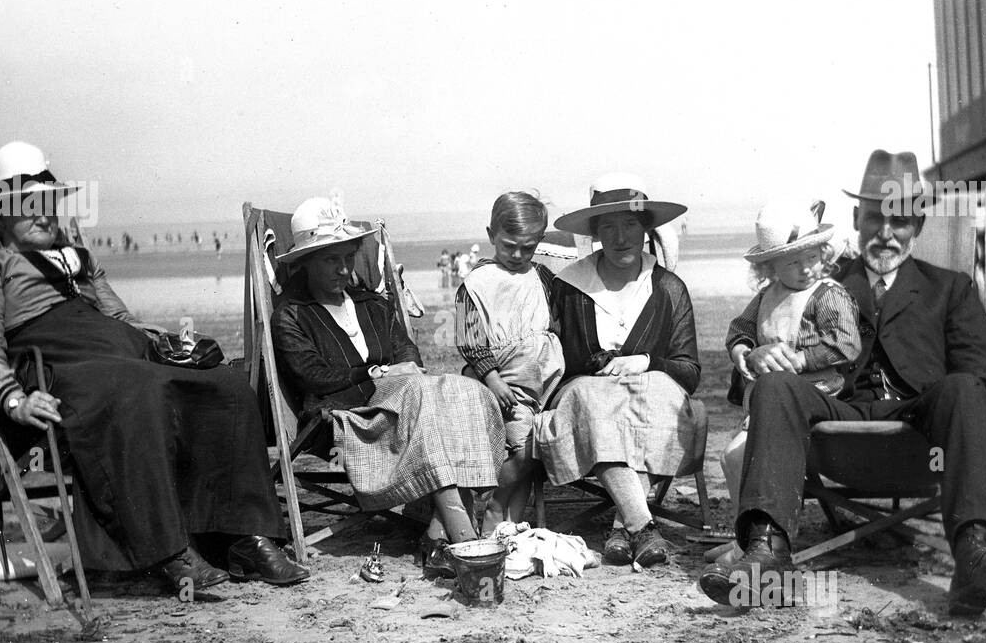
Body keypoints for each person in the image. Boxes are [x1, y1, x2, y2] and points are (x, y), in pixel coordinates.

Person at [0, 141, 308, 592]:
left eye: (49, 203)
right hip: (61, 365)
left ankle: (244, 534)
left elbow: (119, 318)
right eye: (29, 208)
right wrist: (13, 398)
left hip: (119, 354)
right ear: (0, 215)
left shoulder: (74, 257)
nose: (44, 215)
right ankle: (170, 553)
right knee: (137, 390)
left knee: (225, 384)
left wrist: (164, 343)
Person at [698, 151, 986, 616]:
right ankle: (767, 553)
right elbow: (750, 353)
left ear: (919, 225)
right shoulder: (814, 282)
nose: (886, 234)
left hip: (919, 430)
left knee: (965, 387)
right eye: (875, 219)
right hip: (836, 429)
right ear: (856, 218)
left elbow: (979, 365)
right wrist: (753, 355)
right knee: (775, 388)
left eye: (901, 222)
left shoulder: (949, 288)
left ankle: (975, 549)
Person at [271, 197, 507, 571]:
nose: (344, 268)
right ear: (305, 262)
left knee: (464, 389)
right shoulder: (292, 315)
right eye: (330, 260)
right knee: (421, 395)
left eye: (348, 257)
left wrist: (402, 370)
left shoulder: (369, 303)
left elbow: (405, 349)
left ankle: (435, 534)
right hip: (347, 417)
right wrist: (375, 375)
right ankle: (464, 538)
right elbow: (311, 375)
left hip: (403, 406)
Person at [532, 177, 706, 567]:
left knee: (661, 393)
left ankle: (619, 526)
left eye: (630, 225)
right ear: (595, 233)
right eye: (608, 226)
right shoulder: (569, 286)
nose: (621, 237)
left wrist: (646, 362)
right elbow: (558, 361)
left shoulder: (668, 288)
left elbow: (690, 371)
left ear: (645, 230)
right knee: (592, 400)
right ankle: (643, 526)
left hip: (649, 397)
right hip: (587, 397)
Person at [718, 197, 861, 513]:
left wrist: (801, 359)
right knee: (732, 459)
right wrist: (743, 350)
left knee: (741, 455)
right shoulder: (767, 297)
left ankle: (756, 533)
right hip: (769, 396)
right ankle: (747, 531)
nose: (806, 268)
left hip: (816, 395)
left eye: (812, 257)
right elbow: (740, 328)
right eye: (792, 263)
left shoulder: (827, 295)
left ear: (823, 254)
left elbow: (847, 343)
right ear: (770, 268)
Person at [455, 192, 564, 527]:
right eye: (508, 246)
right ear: (491, 236)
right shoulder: (478, 283)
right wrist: (492, 378)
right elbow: (469, 340)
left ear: (539, 242)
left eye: (527, 247)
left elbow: (555, 321)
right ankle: (495, 504)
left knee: (539, 444)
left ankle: (509, 522)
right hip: (505, 383)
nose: (518, 255)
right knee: (524, 444)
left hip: (543, 384)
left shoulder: (542, 278)